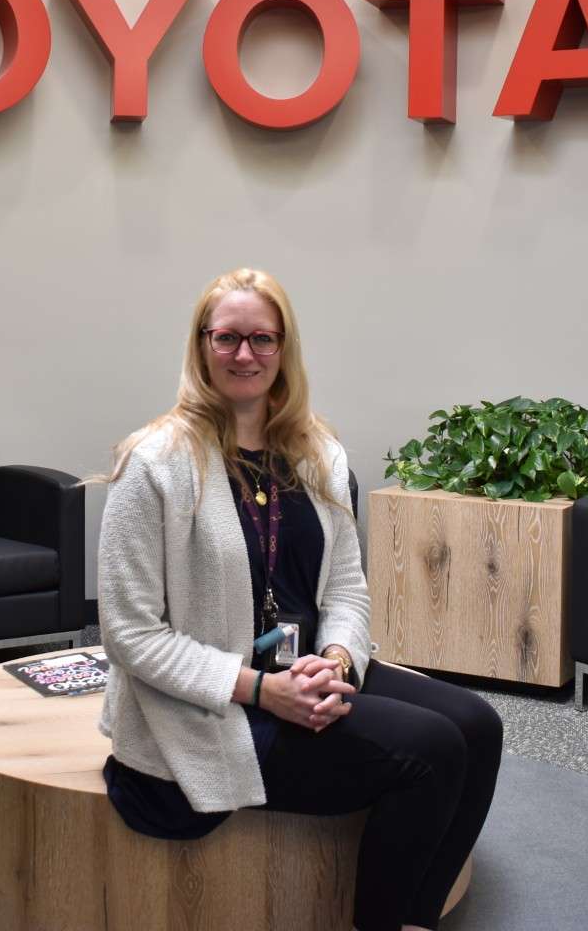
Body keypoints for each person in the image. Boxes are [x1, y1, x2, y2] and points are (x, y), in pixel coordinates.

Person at [96, 268, 502, 931]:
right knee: (429, 750)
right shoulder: (154, 464)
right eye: (227, 338)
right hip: (217, 704)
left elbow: (346, 585)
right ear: (201, 346)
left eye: (262, 338)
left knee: (478, 725)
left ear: (285, 348)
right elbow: (130, 635)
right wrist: (262, 690)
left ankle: (414, 919)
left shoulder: (317, 452)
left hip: (304, 673)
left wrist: (337, 661)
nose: (245, 355)